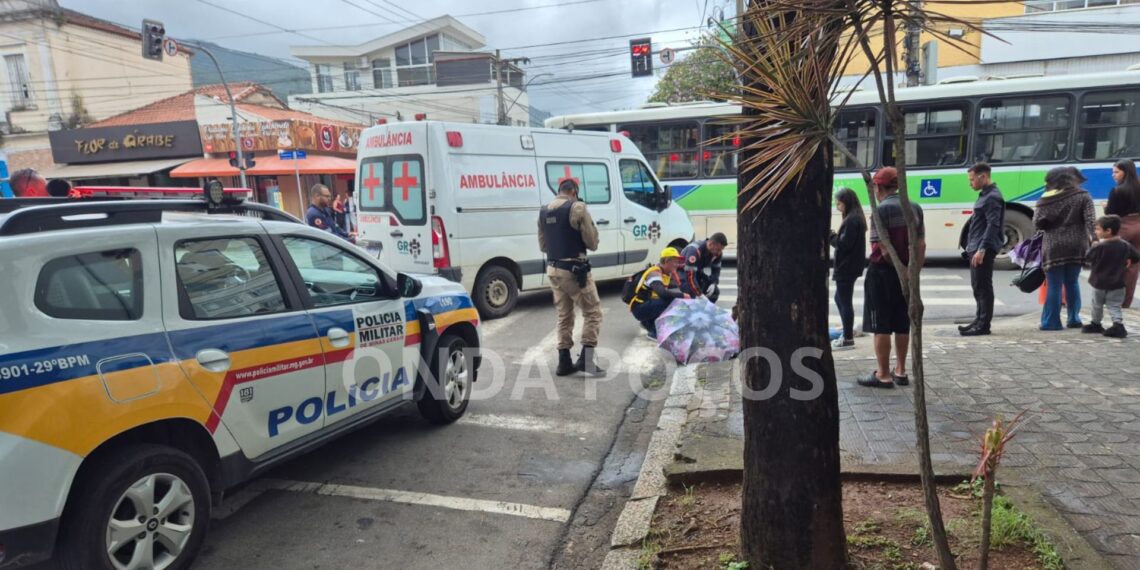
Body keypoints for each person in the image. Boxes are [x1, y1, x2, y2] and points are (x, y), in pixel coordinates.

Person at [856, 167, 925, 389]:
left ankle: (883, 374)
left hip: (882, 274)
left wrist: (900, 270)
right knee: (903, 323)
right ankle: (901, 370)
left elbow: (884, 249)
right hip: (908, 273)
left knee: (881, 325)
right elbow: (921, 244)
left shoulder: (880, 211)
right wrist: (911, 273)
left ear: (877, 186)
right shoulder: (914, 207)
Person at [538, 179, 605, 376]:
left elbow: (543, 246)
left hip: (553, 270)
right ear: (574, 191)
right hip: (575, 270)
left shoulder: (543, 211)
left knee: (564, 315)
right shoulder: (577, 208)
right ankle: (586, 358)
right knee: (593, 312)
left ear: (559, 191)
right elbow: (592, 242)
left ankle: (564, 361)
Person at [1034, 167, 1096, 331]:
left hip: (1054, 245)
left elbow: (1037, 223)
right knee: (1072, 282)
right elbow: (1090, 221)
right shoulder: (1083, 195)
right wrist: (1095, 240)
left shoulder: (1046, 198)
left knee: (1054, 285)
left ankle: (1051, 322)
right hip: (1077, 244)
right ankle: (1074, 319)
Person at [961, 162, 1005, 336]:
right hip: (976, 246)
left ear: (983, 176)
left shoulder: (992, 197)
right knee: (977, 286)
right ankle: (979, 320)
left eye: (972, 179)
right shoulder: (986, 195)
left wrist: (982, 249)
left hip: (982, 248)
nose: (970, 183)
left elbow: (993, 225)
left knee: (983, 287)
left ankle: (983, 325)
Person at [1083, 215, 1140, 338]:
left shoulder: (1099, 247)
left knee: (1097, 304)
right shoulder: (1125, 245)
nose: (1096, 232)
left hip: (1099, 282)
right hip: (1118, 283)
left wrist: (1092, 246)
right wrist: (1128, 259)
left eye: (1098, 229)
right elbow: (1136, 257)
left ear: (1108, 231)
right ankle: (1117, 324)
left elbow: (1087, 257)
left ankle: (1096, 323)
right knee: (1114, 305)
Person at [830, 187, 866, 351]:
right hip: (850, 266)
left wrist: (830, 236)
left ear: (847, 203)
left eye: (839, 203)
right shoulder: (855, 217)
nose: (838, 207)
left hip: (847, 266)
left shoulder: (852, 220)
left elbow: (843, 245)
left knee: (844, 301)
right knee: (840, 299)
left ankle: (848, 339)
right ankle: (846, 332)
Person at [628, 247, 691, 340]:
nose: (677, 265)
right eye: (675, 262)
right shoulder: (654, 272)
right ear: (666, 261)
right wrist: (682, 296)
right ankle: (653, 332)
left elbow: (672, 288)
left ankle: (648, 323)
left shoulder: (666, 273)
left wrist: (679, 285)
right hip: (639, 308)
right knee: (669, 300)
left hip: (645, 305)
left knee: (670, 299)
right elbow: (663, 293)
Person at [1106, 158, 1140, 308]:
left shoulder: (1116, 191)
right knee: (1133, 268)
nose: (1113, 175)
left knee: (1116, 266)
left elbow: (1111, 214)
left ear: (1125, 172)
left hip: (1123, 227)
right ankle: (1126, 303)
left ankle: (1115, 303)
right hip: (1139, 228)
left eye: (1116, 172)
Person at [679, 233, 727, 302]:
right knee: (692, 295)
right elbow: (690, 276)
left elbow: (716, 270)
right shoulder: (694, 251)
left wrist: (713, 282)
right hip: (684, 273)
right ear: (710, 244)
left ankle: (706, 310)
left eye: (721, 250)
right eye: (718, 249)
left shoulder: (717, 253)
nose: (719, 253)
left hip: (697, 271)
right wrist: (699, 294)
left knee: (715, 292)